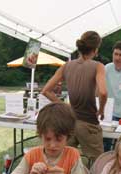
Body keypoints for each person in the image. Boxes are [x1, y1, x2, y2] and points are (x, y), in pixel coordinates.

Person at [41, 31, 107, 164]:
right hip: (89, 123)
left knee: (62, 160)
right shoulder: (98, 66)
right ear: (95, 50)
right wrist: (101, 110)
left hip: (70, 122)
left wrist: (65, 106)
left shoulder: (66, 66)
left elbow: (46, 91)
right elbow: (103, 92)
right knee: (98, 163)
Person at [7, 102, 88, 174]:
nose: (52, 145)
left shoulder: (73, 155)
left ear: (68, 136)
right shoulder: (32, 155)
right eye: (47, 139)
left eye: (58, 139)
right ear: (40, 135)